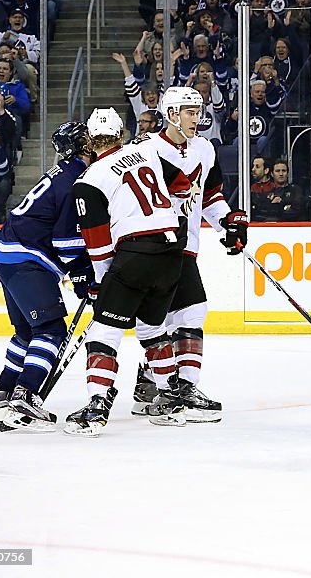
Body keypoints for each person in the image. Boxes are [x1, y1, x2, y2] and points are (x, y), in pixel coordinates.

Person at [64, 108, 193, 436]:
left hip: (135, 255)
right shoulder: (145, 149)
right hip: (173, 250)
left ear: (90, 141)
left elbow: (97, 243)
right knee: (152, 328)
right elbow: (182, 183)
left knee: (102, 333)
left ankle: (96, 408)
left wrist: (102, 282)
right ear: (121, 133)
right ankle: (170, 400)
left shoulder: (89, 179)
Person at [128, 87, 248, 423]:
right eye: (189, 112)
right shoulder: (147, 150)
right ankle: (182, 389)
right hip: (155, 245)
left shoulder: (205, 149)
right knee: (184, 314)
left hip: (185, 246)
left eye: (198, 111)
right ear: (170, 114)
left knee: (174, 318)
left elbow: (209, 197)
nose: (197, 118)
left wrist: (227, 222)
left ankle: (151, 386)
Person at [0, 122, 94, 430]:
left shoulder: (62, 172)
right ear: (83, 147)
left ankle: (4, 395)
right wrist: (84, 276)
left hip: (7, 255)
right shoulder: (77, 180)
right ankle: (25, 394)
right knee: (51, 331)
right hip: (27, 259)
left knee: (26, 333)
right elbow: (65, 241)